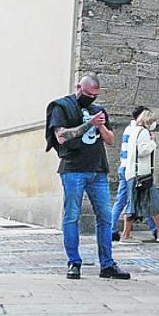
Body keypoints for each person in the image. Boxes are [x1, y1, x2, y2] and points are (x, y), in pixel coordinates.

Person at [45, 74, 131, 281]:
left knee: (105, 217)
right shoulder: (62, 107)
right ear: (78, 87)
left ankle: (107, 264)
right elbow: (61, 136)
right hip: (73, 169)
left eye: (95, 95)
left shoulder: (98, 110)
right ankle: (74, 263)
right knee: (72, 215)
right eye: (87, 94)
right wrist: (88, 124)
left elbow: (110, 140)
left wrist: (100, 125)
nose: (91, 98)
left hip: (98, 170)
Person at [116, 107, 159, 243]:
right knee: (137, 203)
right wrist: (153, 142)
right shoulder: (143, 132)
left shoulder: (135, 131)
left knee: (147, 202)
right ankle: (126, 235)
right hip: (141, 175)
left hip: (136, 174)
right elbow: (142, 150)